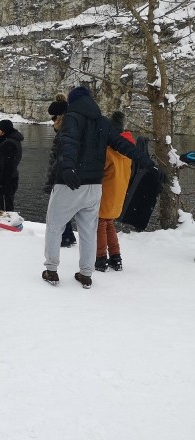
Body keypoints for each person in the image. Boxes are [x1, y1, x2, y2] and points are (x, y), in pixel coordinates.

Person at [42, 87, 156, 289]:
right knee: (88, 231)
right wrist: (148, 163)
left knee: (54, 227)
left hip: (69, 182)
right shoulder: (103, 122)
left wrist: (68, 167)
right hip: (94, 187)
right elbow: (124, 145)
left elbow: (69, 143)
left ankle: (51, 270)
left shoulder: (72, 119)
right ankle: (86, 274)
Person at [96, 111, 135, 272]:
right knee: (109, 224)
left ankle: (100, 259)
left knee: (99, 225)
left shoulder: (108, 152)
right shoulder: (128, 152)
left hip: (106, 193)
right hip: (119, 195)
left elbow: (98, 171)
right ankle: (115, 257)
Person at [44, 94, 77, 247]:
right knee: (65, 206)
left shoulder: (64, 135)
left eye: (55, 119)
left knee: (59, 207)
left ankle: (65, 237)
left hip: (62, 174)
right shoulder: (70, 130)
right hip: (66, 173)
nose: (54, 123)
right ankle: (68, 235)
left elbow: (59, 157)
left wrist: (52, 178)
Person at [0, 119, 23, 213]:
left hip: (6, 181)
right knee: (6, 207)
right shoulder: (10, 141)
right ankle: (5, 225)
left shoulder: (9, 143)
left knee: (4, 210)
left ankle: (5, 226)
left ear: (3, 130)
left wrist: (0, 184)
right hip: (7, 179)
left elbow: (8, 166)